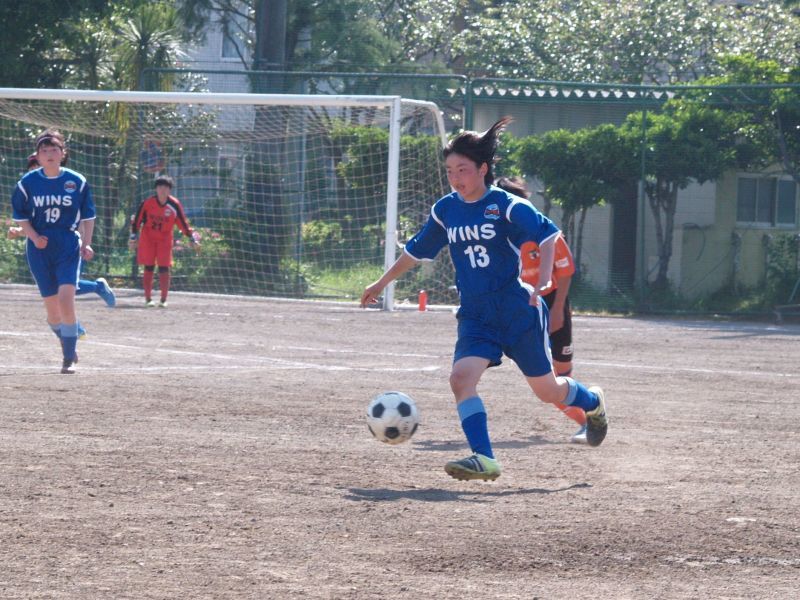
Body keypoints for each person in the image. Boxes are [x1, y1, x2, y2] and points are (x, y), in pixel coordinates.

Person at [361, 117, 608, 482]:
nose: (456, 177)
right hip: (476, 314)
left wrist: (541, 281)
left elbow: (547, 234)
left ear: (482, 169)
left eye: (463, 169)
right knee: (461, 379)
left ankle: (592, 403)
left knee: (548, 391)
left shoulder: (506, 206)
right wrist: (382, 283)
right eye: (449, 171)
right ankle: (485, 458)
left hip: (516, 310)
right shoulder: (446, 210)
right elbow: (417, 252)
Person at [495, 176, 587, 444]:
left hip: (552, 298)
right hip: (524, 305)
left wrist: (558, 309)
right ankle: (585, 421)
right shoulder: (500, 236)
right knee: (546, 378)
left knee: (563, 371)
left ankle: (589, 411)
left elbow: (566, 271)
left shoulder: (542, 230)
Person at [10, 129, 97, 373]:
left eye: (54, 149)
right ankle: (67, 341)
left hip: (67, 244)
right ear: (37, 156)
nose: (49, 154)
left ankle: (67, 359)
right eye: (44, 150)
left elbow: (88, 216)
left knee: (66, 299)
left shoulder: (76, 181)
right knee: (53, 312)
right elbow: (20, 216)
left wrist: (87, 243)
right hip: (39, 248)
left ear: (63, 153)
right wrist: (34, 236)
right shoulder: (27, 183)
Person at [8, 153, 116, 311]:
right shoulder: (32, 190)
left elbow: (76, 220)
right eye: (31, 169)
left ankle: (96, 290)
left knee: (66, 288)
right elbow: (39, 227)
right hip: (47, 249)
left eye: (36, 167)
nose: (35, 171)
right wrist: (19, 230)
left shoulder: (68, 186)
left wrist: (84, 242)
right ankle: (74, 321)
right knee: (57, 289)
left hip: (69, 245)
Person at [129, 174, 199, 307]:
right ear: (156, 189)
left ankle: (163, 300)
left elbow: (182, 223)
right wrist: (133, 236)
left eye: (166, 187)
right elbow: (137, 221)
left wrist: (191, 237)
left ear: (169, 190)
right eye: (160, 186)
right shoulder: (147, 203)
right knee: (148, 266)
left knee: (164, 268)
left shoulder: (174, 204)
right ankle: (148, 299)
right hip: (148, 237)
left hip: (165, 239)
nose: (162, 189)